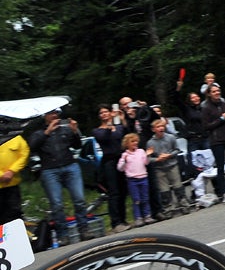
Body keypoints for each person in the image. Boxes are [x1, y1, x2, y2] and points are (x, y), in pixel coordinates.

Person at [28, 109, 94, 242]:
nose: (54, 115)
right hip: (49, 170)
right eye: (51, 113)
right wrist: (47, 132)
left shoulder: (65, 129)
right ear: (45, 116)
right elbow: (32, 147)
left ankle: (84, 229)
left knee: (79, 199)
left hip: (70, 165)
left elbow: (77, 146)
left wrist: (75, 131)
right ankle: (62, 235)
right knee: (57, 204)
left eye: (56, 113)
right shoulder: (38, 133)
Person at [92, 104, 130, 232]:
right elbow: (104, 138)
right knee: (114, 192)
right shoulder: (97, 131)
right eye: (101, 113)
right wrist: (109, 125)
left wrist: (122, 118)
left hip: (121, 159)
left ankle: (123, 219)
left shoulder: (118, 127)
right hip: (109, 161)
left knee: (123, 190)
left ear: (110, 112)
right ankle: (115, 222)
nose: (104, 114)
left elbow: (126, 133)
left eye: (106, 112)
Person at [147, 118, 194, 217]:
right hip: (159, 168)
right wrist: (157, 159)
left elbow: (177, 150)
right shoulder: (150, 143)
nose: (161, 128)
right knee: (164, 190)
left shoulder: (170, 137)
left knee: (178, 186)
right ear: (153, 129)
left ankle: (184, 204)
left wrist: (169, 155)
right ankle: (168, 208)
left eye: (162, 126)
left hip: (172, 165)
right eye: (158, 127)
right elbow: (148, 158)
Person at [117, 132, 154, 227]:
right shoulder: (125, 155)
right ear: (127, 144)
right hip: (132, 180)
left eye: (136, 141)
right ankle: (138, 218)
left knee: (145, 198)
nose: (135, 143)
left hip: (143, 177)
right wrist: (124, 161)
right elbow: (120, 168)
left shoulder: (141, 151)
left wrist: (148, 155)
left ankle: (147, 215)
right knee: (136, 200)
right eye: (132, 141)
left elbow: (146, 163)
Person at [0, 122, 29, 225]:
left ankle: (16, 238)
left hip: (12, 184)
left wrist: (11, 171)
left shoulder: (15, 137)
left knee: (14, 212)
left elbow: (24, 153)